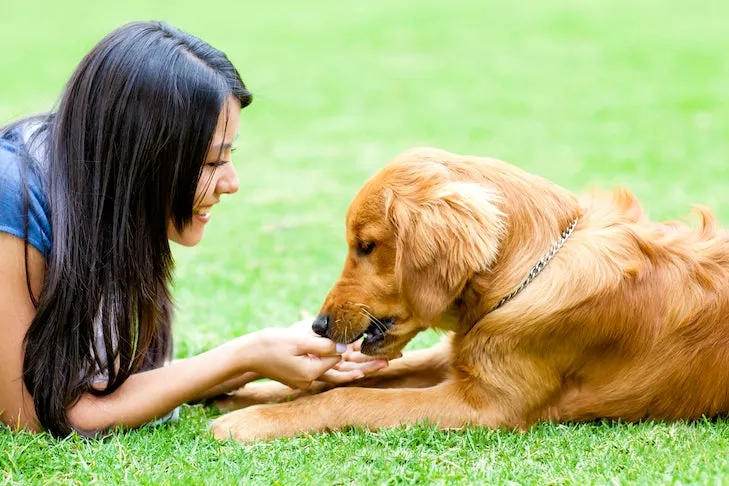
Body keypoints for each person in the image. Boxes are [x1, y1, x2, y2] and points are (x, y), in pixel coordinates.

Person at [0, 21, 388, 437]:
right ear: (142, 159)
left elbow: (108, 389)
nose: (232, 182)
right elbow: (31, 415)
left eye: (228, 156)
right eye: (210, 163)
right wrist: (245, 355)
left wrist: (269, 355)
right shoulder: (14, 197)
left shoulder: (100, 200)